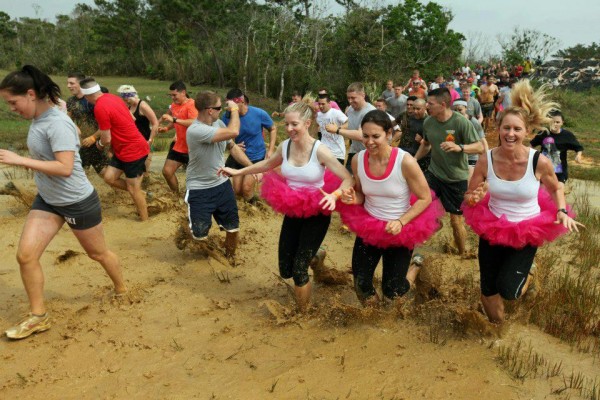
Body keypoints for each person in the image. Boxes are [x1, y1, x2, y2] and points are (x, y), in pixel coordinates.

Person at [0, 65, 127, 339]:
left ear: (31, 95)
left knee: (98, 254)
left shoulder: (56, 123)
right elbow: (60, 108)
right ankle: (38, 317)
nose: (11, 108)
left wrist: (19, 159)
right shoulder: (46, 111)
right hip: (48, 200)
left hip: (76, 201)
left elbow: (65, 167)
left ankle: (122, 289)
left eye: (13, 102)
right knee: (25, 256)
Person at [463, 80, 583, 324]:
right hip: (493, 225)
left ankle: (529, 273)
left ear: (527, 132)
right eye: (506, 128)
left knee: (508, 290)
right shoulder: (486, 160)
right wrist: (473, 198)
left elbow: (555, 187)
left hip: (526, 229)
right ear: (498, 128)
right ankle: (499, 331)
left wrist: (561, 210)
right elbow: (470, 194)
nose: (510, 134)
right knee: (488, 288)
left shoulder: (539, 161)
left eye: (517, 129)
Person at [218, 102, 353, 311]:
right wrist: (238, 172)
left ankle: (303, 314)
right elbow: (267, 164)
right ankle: (316, 257)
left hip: (317, 212)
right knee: (286, 269)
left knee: (299, 271)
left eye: (294, 124)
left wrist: (335, 196)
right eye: (287, 124)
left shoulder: (321, 150)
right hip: (293, 209)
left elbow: (347, 178)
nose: (289, 129)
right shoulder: (285, 146)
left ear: (307, 123)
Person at [337, 110, 443, 306]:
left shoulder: (405, 161)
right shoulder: (358, 159)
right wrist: (353, 199)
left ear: (389, 134)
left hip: (400, 228)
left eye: (375, 136)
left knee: (392, 292)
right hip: (370, 226)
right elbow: (362, 194)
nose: (369, 142)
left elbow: (424, 198)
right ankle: (374, 324)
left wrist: (401, 222)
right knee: (361, 285)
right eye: (365, 136)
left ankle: (414, 269)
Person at [414, 88, 483, 256]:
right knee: (417, 203)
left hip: (455, 178)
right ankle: (435, 224)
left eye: (430, 104)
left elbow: (479, 146)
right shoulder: (429, 122)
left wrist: (459, 147)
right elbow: (426, 144)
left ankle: (462, 253)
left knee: (455, 220)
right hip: (434, 173)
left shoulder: (461, 122)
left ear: (443, 104)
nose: (427, 106)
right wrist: (414, 161)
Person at [185, 91, 253, 261]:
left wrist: (252, 167)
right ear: (209, 110)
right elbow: (234, 131)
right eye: (218, 107)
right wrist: (235, 110)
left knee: (233, 227)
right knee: (200, 235)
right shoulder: (196, 130)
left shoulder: (219, 123)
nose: (221, 109)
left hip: (222, 185)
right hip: (199, 189)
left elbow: (233, 147)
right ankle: (204, 257)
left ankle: (230, 258)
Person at [80, 77, 150, 221]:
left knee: (132, 189)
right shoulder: (112, 97)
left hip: (133, 150)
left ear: (87, 96)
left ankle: (145, 221)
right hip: (123, 149)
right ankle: (141, 193)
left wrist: (98, 145)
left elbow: (106, 139)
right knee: (109, 177)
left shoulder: (99, 107)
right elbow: (132, 118)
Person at [222, 88, 277, 202]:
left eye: (234, 106)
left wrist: (271, 150)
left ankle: (255, 209)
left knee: (246, 188)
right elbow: (225, 138)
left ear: (241, 101)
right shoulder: (226, 117)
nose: (232, 109)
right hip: (239, 158)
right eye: (230, 106)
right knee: (237, 191)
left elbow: (273, 128)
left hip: (256, 157)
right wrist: (234, 146)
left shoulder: (258, 113)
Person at [325, 82, 376, 174]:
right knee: (349, 178)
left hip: (370, 153)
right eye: (348, 98)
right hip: (354, 151)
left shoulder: (370, 112)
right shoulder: (350, 109)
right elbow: (350, 125)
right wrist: (339, 127)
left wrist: (337, 130)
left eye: (353, 98)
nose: (350, 101)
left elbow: (361, 135)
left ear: (363, 95)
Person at [66, 72, 110, 177]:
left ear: (80, 83)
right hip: (84, 144)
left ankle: (134, 190)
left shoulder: (92, 100)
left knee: (106, 174)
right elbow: (68, 119)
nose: (68, 86)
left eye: (72, 83)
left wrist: (93, 138)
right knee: (77, 173)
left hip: (99, 143)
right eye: (68, 83)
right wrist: (74, 128)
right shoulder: (71, 101)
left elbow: (107, 124)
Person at [159, 81, 198, 193]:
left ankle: (194, 198)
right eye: (171, 95)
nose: (172, 97)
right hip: (179, 145)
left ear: (183, 93)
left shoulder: (192, 104)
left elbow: (194, 122)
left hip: (193, 147)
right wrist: (166, 128)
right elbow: (176, 120)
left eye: (174, 95)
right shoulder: (174, 106)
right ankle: (176, 195)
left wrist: (174, 120)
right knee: (167, 171)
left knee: (195, 177)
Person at [530, 110, 584, 187]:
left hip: (560, 171)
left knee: (559, 191)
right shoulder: (543, 133)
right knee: (543, 194)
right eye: (552, 122)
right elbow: (531, 145)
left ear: (562, 122)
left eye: (557, 122)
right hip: (543, 170)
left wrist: (578, 155)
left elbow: (578, 148)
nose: (555, 124)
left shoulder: (567, 135)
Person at [117, 85, 159, 175]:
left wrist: (150, 140)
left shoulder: (143, 105)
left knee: (144, 172)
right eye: (123, 100)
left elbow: (155, 123)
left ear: (130, 96)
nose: (125, 102)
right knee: (134, 171)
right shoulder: (129, 106)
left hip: (145, 140)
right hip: (133, 142)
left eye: (126, 99)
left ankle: (150, 186)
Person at [452, 99, 489, 182]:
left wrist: (487, 159)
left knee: (468, 184)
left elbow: (483, 141)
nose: (457, 112)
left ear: (466, 108)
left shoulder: (474, 122)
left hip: (471, 157)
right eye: (455, 110)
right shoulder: (451, 122)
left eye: (460, 109)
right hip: (457, 157)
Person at [316, 94, 348, 164]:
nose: (320, 106)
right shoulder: (318, 115)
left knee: (336, 174)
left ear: (329, 103)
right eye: (319, 104)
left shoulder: (336, 113)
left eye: (323, 104)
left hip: (337, 152)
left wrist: (337, 128)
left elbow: (349, 123)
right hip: (324, 150)